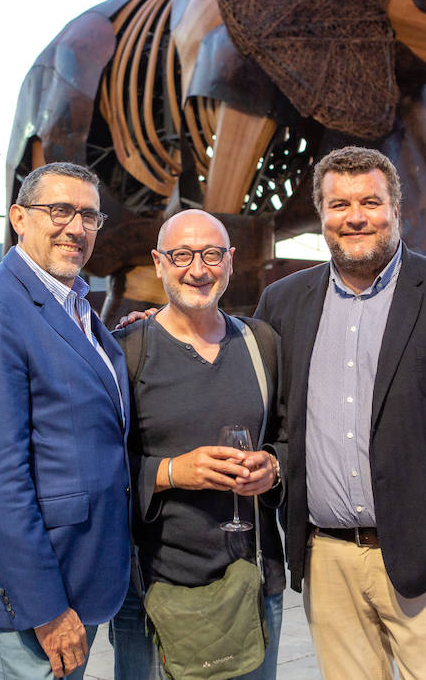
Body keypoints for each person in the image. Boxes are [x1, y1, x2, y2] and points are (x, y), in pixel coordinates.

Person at [253, 146, 426, 680]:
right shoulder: (282, 302)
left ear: (396, 210)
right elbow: (266, 411)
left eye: (371, 202)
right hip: (326, 559)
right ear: (321, 215)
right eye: (339, 204)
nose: (355, 216)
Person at [0, 162, 131, 679]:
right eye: (60, 210)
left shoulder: (76, 306)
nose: (76, 227)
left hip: (79, 576)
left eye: (89, 215)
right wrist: (45, 609)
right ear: (19, 217)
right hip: (30, 602)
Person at [110, 209, 285, 680]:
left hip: (252, 585)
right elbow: (95, 464)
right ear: (159, 262)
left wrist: (273, 467)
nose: (198, 268)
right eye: (181, 255)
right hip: (154, 587)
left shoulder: (260, 343)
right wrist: (170, 473)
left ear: (229, 261)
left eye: (211, 254)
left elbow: (288, 439)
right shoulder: (125, 350)